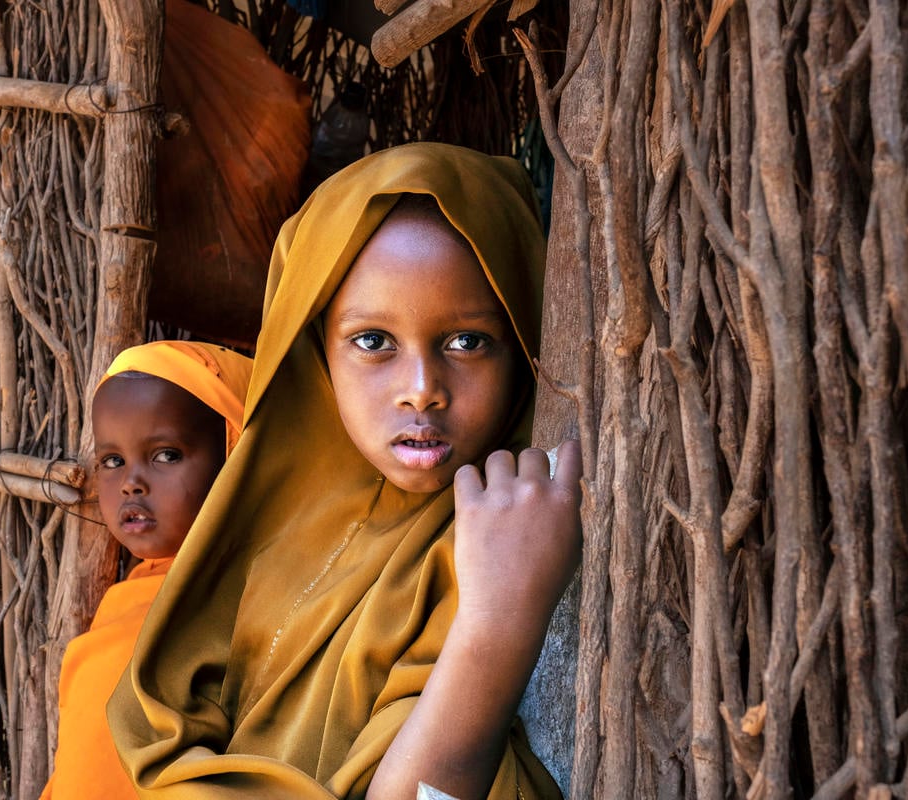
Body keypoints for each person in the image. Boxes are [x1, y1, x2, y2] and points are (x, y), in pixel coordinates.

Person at [107, 142, 583, 799]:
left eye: (467, 341)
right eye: (372, 342)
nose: (421, 389)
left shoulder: (510, 539)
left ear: (525, 339)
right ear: (312, 350)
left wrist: (497, 625)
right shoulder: (254, 535)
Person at [41, 340, 253, 800]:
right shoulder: (135, 596)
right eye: (112, 461)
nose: (132, 483)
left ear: (239, 456)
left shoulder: (243, 606)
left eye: (166, 455)